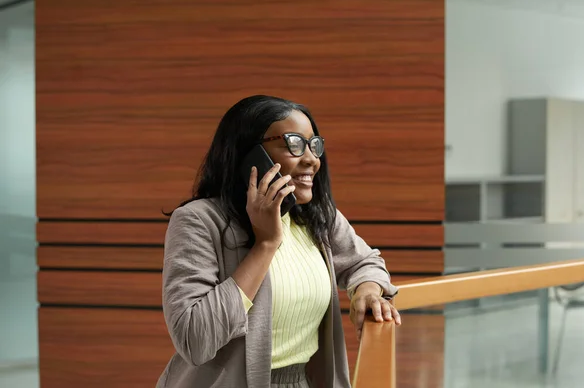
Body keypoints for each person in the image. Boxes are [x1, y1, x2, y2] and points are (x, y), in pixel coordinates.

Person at [157, 95, 401, 388]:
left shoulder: (316, 218)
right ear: (251, 154)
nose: (311, 159)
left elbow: (365, 261)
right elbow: (195, 339)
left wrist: (367, 290)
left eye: (314, 145)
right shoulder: (199, 220)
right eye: (294, 144)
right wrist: (266, 244)